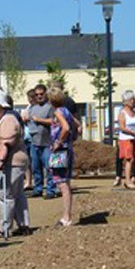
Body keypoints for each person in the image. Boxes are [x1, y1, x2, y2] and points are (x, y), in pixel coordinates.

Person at [0, 89, 31, 237]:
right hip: (12, 162)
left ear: (3, 106)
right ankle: (23, 224)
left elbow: (7, 143)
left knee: (6, 196)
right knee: (17, 195)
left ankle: (4, 227)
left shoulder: (9, 119)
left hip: (12, 162)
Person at [48, 87, 75, 226]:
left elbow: (66, 127)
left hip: (60, 151)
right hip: (68, 149)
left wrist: (59, 141)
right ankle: (67, 215)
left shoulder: (58, 112)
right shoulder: (66, 111)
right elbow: (76, 124)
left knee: (62, 184)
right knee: (66, 183)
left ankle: (66, 217)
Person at [27, 84, 56, 199]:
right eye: (37, 94)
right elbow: (29, 122)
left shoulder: (50, 107)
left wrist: (39, 120)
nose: (39, 96)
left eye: (41, 94)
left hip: (47, 143)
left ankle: (50, 190)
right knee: (36, 168)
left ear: (46, 94)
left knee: (49, 168)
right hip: (34, 142)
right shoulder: (32, 109)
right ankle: (38, 189)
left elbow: (54, 121)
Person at [116, 90, 135, 189]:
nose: (133, 101)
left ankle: (132, 178)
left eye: (134, 99)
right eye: (131, 99)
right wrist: (132, 132)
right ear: (126, 101)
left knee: (134, 158)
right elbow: (121, 127)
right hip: (126, 139)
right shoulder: (122, 112)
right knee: (129, 159)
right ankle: (127, 180)